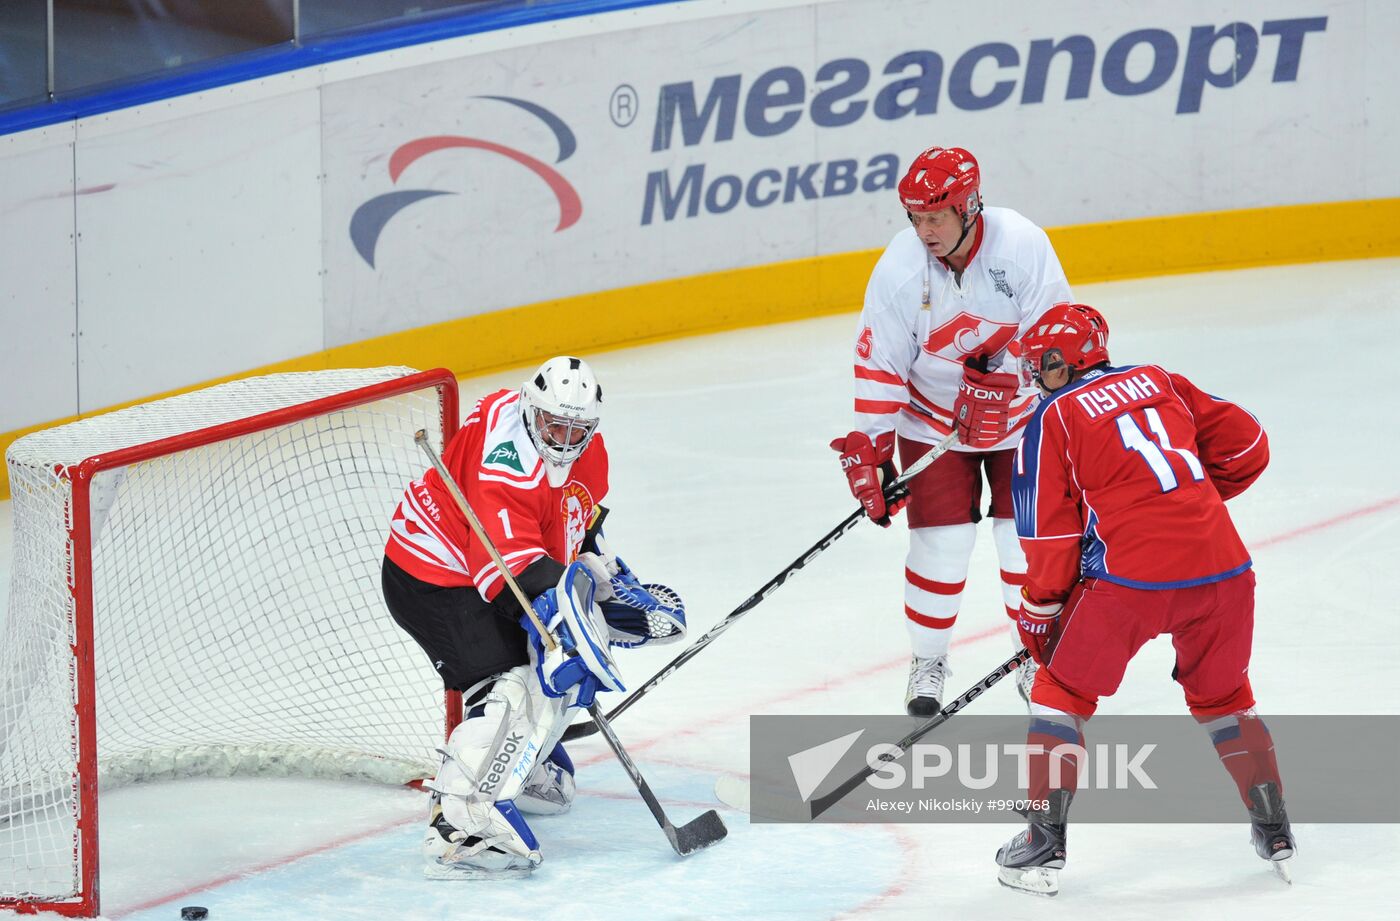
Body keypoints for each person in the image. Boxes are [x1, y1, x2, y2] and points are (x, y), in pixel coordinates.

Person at [995, 304, 1293, 896]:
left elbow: (1048, 536)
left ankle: (1042, 842)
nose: (1037, 375)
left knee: (1061, 692)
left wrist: (1039, 608)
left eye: (1044, 363)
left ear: (1071, 359)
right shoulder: (1162, 380)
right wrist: (1186, 506)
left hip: (1127, 585)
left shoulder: (1052, 418)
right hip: (1224, 571)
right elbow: (1249, 445)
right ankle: (1273, 826)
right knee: (1227, 697)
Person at [381, 355, 685, 878]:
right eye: (554, 425)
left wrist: (603, 574)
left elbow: (576, 520)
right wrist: (577, 628)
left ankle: (517, 758)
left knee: (560, 663)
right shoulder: (504, 465)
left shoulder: (585, 448)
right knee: (527, 676)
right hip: (432, 576)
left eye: (577, 429)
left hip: (482, 566)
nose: (564, 439)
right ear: (530, 408)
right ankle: (461, 821)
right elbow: (512, 577)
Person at [831, 145, 1073, 715]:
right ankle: (928, 661)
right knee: (940, 548)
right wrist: (871, 449)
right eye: (914, 218)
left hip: (1021, 422)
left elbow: (1061, 343)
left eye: (935, 217)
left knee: (1024, 546)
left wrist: (1013, 381)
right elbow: (879, 364)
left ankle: (1032, 656)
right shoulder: (899, 269)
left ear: (968, 206)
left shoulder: (1022, 246)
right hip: (932, 421)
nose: (924, 229)